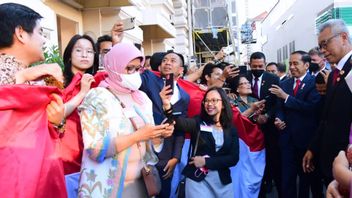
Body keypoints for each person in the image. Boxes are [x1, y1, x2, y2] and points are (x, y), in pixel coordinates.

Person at [78, 42, 173, 197]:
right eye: (129, 68)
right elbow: (94, 149)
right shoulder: (97, 97)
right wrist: (139, 135)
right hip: (106, 188)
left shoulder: (142, 98)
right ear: (114, 66)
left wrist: (158, 135)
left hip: (140, 185)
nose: (134, 74)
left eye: (137, 69)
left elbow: (150, 148)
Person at [0, 3, 66, 197]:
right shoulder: (14, 74)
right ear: (21, 33)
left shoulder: (35, 77)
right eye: (40, 32)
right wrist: (21, 79)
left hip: (33, 181)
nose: (44, 39)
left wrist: (57, 121)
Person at [160, 86, 239, 198]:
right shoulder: (198, 122)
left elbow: (233, 158)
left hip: (222, 183)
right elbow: (177, 122)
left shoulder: (231, 129)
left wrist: (206, 162)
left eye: (214, 100)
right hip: (198, 180)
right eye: (206, 100)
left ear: (223, 104)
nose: (209, 104)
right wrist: (167, 105)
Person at [302, 19, 352, 187]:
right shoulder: (333, 74)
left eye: (325, 44)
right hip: (330, 161)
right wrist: (313, 147)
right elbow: (327, 117)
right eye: (320, 46)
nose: (323, 51)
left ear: (344, 37)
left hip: (347, 164)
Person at [269, 50, 322, 198]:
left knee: (307, 180)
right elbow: (279, 107)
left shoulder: (315, 82)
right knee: (287, 179)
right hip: (286, 140)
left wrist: (286, 97)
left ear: (306, 65)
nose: (291, 67)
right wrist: (278, 119)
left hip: (306, 141)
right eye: (290, 63)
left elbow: (311, 108)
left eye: (295, 63)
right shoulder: (284, 83)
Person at [139, 50, 190, 198]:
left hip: (166, 158)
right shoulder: (148, 79)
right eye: (165, 60)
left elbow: (180, 129)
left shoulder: (184, 97)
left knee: (164, 193)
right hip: (144, 151)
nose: (167, 62)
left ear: (180, 70)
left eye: (173, 60)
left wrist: (176, 158)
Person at [60, 34, 101, 176]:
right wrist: (82, 92)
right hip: (65, 152)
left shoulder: (98, 83)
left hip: (92, 150)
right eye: (78, 50)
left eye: (89, 51)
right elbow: (57, 114)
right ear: (69, 54)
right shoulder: (57, 80)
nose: (85, 55)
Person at [246, 52, 281, 197]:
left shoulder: (273, 78)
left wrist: (267, 116)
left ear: (265, 64)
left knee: (270, 155)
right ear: (250, 65)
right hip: (248, 125)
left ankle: (268, 181)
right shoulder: (244, 78)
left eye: (260, 66)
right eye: (254, 66)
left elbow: (277, 102)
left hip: (268, 126)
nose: (257, 68)